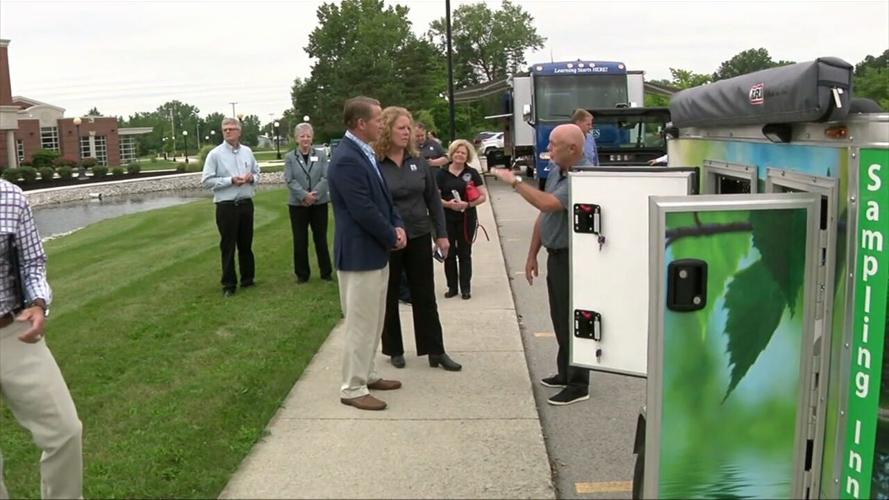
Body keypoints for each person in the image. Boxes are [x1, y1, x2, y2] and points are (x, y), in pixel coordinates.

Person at [491, 124, 591, 405]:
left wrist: (515, 182)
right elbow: (543, 216)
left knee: (573, 320)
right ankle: (565, 372)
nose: (549, 149)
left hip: (573, 258)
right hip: (555, 255)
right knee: (559, 316)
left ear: (572, 148)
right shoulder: (560, 170)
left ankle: (578, 383)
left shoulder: (583, 177)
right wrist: (533, 252)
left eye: (554, 144)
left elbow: (547, 204)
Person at [0, 179, 82, 498]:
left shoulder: (10, 197)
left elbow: (32, 263)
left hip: (13, 331)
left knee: (65, 432)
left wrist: (37, 303)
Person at [328, 96, 406, 411]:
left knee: (374, 321)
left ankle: (368, 373)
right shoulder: (346, 158)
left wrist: (397, 224)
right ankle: (352, 388)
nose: (381, 125)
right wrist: (391, 235)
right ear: (361, 123)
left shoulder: (365, 153)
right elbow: (362, 209)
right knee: (360, 323)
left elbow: (383, 200)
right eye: (377, 119)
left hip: (375, 252)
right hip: (359, 256)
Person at [374, 107, 461, 372]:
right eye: (401, 127)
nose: (407, 132)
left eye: (408, 128)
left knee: (424, 295)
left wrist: (442, 234)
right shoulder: (375, 163)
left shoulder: (418, 160)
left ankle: (435, 350)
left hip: (419, 233)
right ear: (387, 129)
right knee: (388, 295)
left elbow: (433, 199)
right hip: (389, 238)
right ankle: (394, 349)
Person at [201, 117, 261, 297]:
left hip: (245, 204)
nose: (228, 131)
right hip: (226, 206)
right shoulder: (215, 155)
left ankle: (248, 279)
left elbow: (257, 173)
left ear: (239, 131)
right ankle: (229, 284)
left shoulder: (247, 152)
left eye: (232, 128)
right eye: (225, 129)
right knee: (228, 246)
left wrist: (251, 178)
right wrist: (230, 181)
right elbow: (206, 181)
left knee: (246, 244)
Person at [436, 139, 487, 300]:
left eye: (463, 153)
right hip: (447, 217)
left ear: (467, 156)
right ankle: (452, 287)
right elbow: (435, 198)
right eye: (457, 152)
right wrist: (448, 204)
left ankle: (465, 288)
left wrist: (468, 204)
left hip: (467, 218)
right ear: (452, 153)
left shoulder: (471, 173)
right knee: (448, 253)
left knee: (465, 253)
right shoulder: (441, 173)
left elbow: (483, 196)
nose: (460, 155)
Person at [284, 122, 333, 283]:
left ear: (312, 138)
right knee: (300, 240)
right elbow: (289, 180)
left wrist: (314, 195)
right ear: (296, 139)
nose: (305, 139)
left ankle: (326, 273)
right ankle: (302, 275)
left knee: (320, 239)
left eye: (308, 136)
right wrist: (304, 195)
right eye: (302, 136)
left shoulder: (321, 155)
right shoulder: (290, 157)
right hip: (298, 205)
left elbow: (326, 177)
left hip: (319, 204)